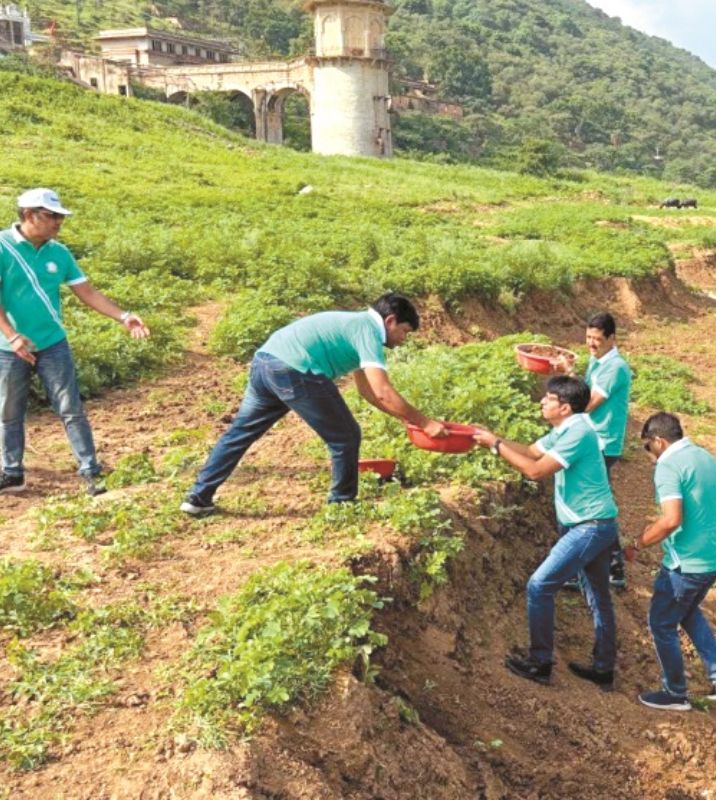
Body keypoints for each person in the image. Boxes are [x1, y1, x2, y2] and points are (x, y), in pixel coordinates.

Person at [180, 293, 445, 515]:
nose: (403, 339)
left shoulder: (353, 325)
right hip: (296, 370)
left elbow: (369, 392)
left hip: (265, 362)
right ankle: (342, 505)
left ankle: (198, 498)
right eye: (404, 331)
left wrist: (406, 418)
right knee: (345, 437)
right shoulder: (369, 331)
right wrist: (425, 422)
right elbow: (383, 390)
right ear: (390, 321)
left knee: (240, 433)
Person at [0, 188, 150, 496]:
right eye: (52, 216)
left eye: (60, 217)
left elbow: (88, 293)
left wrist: (124, 316)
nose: (58, 222)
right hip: (9, 347)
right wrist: (12, 336)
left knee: (71, 407)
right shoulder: (2, 247)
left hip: (52, 343)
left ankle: (90, 470)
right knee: (9, 411)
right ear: (29, 215)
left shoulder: (59, 252)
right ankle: (12, 472)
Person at [473, 376, 619, 688]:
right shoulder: (567, 428)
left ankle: (540, 663)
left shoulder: (577, 432)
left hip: (590, 527)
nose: (542, 402)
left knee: (539, 586)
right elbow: (530, 452)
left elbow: (535, 470)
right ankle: (604, 668)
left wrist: (496, 446)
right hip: (596, 525)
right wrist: (492, 439)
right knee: (598, 597)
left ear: (564, 407)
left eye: (548, 398)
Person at [632, 412, 716, 710]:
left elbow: (671, 520)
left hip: (687, 564)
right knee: (687, 611)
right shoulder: (702, 455)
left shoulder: (668, 466)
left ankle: (675, 692)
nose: (649, 454)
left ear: (659, 441)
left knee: (661, 623)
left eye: (648, 447)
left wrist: (638, 543)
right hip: (715, 556)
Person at [581, 311, 632, 588]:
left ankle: (610, 566)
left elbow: (589, 403)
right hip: (595, 440)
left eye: (597, 339)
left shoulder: (615, 368)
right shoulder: (597, 359)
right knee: (599, 503)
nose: (591, 343)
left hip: (604, 443)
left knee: (598, 505)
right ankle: (610, 567)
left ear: (612, 339)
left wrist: (562, 408)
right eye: (588, 337)